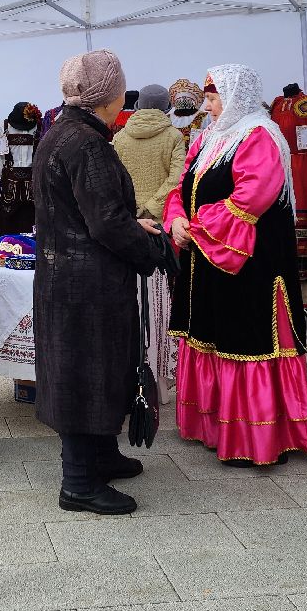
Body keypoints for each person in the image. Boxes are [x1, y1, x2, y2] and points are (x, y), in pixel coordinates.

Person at [33, 50, 170, 515]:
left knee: (97, 368)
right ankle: (78, 483)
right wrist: (149, 251)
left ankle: (102, 455)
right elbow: (106, 222)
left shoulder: (61, 132)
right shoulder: (88, 143)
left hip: (69, 277)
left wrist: (132, 225)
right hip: (87, 284)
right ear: (108, 95)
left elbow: (89, 212)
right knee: (85, 373)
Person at [164, 64, 307, 467]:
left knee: (244, 337)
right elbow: (183, 185)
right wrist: (176, 219)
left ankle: (255, 438)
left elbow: (252, 196)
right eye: (208, 99)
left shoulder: (259, 135)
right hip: (209, 256)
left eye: (213, 99)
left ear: (235, 96)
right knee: (212, 332)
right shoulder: (209, 138)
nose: (208, 107)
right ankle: (215, 426)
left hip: (250, 262)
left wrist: (198, 226)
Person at [113, 84, 186, 400]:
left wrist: (132, 211)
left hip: (127, 226)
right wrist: (152, 208)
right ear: (167, 107)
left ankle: (129, 373)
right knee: (161, 301)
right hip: (159, 227)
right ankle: (160, 377)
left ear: (138, 105)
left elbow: (112, 180)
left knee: (128, 298)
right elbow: (177, 179)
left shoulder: (120, 138)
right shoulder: (173, 137)